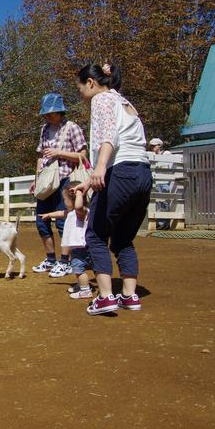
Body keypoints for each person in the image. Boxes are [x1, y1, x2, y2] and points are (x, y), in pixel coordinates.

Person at [74, 63, 151, 315]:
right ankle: (130, 296)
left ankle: (106, 297)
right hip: (142, 173)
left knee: (95, 235)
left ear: (91, 83)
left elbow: (109, 137)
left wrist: (99, 169)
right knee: (123, 238)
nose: (81, 95)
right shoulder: (123, 101)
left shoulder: (101, 99)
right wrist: (90, 179)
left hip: (120, 172)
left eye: (80, 89)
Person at [30, 93, 88, 278]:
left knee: (64, 221)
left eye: (51, 113)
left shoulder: (72, 128)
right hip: (47, 181)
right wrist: (37, 178)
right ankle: (50, 259)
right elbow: (40, 156)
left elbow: (83, 156)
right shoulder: (44, 130)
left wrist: (59, 153)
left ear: (59, 111)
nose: (47, 116)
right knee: (42, 221)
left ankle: (65, 261)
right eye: (45, 113)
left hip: (66, 179)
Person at [39, 181, 93, 297]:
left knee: (78, 269)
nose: (63, 202)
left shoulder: (81, 211)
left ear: (73, 200)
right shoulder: (71, 212)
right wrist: (49, 215)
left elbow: (78, 206)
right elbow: (60, 213)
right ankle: (83, 285)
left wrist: (79, 193)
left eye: (64, 199)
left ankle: (85, 290)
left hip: (81, 247)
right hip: (77, 248)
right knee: (80, 268)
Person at [149, 138, 172, 230]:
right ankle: (160, 222)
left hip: (164, 181)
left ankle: (164, 222)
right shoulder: (152, 155)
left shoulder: (166, 153)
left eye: (154, 146)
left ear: (159, 146)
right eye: (151, 146)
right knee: (157, 202)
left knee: (164, 201)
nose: (152, 148)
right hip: (156, 182)